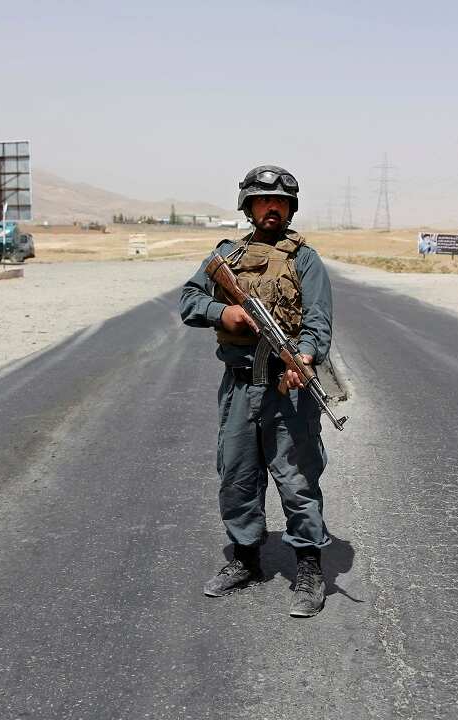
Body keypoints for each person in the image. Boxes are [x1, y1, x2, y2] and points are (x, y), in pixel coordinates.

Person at [179, 165, 334, 618]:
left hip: (289, 390)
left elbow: (318, 321)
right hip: (239, 385)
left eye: (280, 202)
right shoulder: (226, 255)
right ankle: (245, 558)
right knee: (237, 474)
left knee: (298, 478)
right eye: (264, 200)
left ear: (290, 208)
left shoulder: (306, 259)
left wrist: (304, 357)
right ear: (249, 206)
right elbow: (189, 300)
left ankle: (309, 566)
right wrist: (222, 313)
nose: (272, 208)